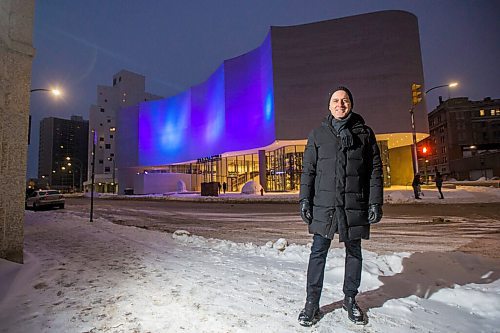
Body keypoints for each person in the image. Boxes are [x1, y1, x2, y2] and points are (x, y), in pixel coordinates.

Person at [298, 86, 383, 326]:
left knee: (354, 252)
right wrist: (304, 199)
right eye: (336, 100)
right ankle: (311, 304)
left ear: (351, 104)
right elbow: (309, 171)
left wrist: (375, 201)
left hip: (353, 203)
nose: (340, 104)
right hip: (324, 205)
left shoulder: (364, 134)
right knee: (318, 252)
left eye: (344, 100)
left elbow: (374, 172)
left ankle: (350, 299)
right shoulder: (317, 135)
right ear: (329, 105)